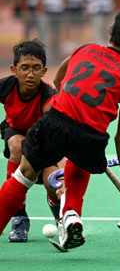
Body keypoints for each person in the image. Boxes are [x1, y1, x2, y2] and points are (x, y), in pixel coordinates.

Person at [0, 7, 120, 250]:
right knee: (80, 162)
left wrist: (69, 105)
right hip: (91, 137)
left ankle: (59, 216)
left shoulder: (85, 49)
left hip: (56, 120)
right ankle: (71, 214)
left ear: (112, 33)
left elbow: (59, 81)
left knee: (24, 175)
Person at [0, 39, 64, 242]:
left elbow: (51, 134)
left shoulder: (49, 96)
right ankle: (18, 216)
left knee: (53, 183)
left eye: (36, 68)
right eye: (24, 68)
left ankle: (58, 211)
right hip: (16, 131)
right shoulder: (6, 86)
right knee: (18, 145)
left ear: (44, 71)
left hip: (43, 142)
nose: (30, 74)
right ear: (14, 69)